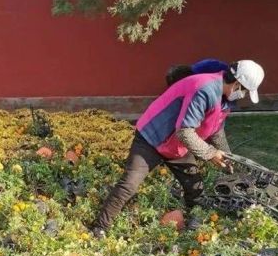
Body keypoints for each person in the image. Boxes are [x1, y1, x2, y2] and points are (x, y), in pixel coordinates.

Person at [92, 60, 264, 236]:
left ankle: (193, 228)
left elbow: (216, 131)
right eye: (243, 90)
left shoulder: (225, 100)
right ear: (236, 83)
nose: (242, 95)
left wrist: (228, 158)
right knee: (129, 184)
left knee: (195, 188)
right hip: (152, 138)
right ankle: (99, 228)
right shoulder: (204, 89)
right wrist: (210, 154)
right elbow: (184, 132)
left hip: (176, 148)